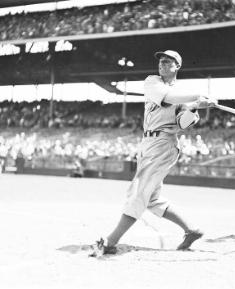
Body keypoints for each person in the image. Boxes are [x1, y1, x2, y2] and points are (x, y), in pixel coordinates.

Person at [93, 50, 218, 255]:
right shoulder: (153, 82)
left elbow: (183, 124)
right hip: (148, 142)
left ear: (177, 66)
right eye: (161, 61)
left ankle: (110, 242)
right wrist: (198, 97)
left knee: (139, 192)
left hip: (164, 143)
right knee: (151, 198)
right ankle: (191, 230)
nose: (162, 64)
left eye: (168, 61)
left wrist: (196, 107)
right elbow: (169, 97)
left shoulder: (184, 94)